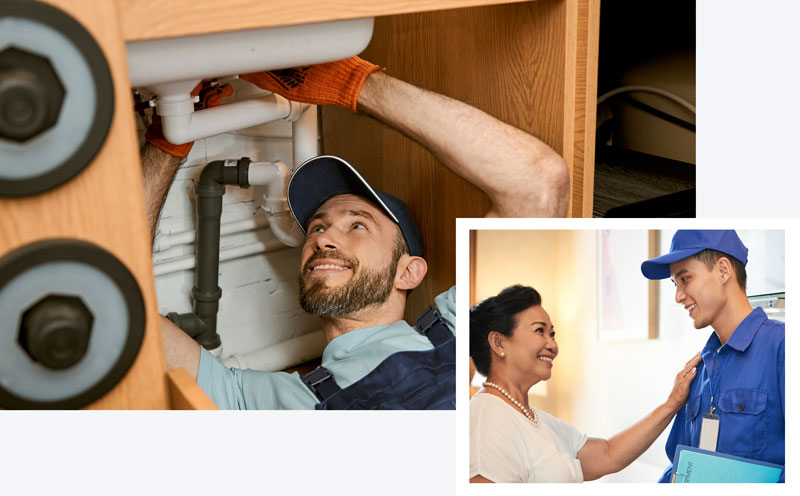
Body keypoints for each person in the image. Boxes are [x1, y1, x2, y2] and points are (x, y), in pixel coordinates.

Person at [143, 57, 567, 409]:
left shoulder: (462, 332)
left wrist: (348, 83)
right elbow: (123, 302)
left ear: (409, 273)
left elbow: (537, 183)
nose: (323, 238)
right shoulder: (266, 400)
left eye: (357, 225)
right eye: (318, 226)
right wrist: (169, 139)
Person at [469, 285, 701, 483]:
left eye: (553, 334)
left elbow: (607, 454)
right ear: (498, 342)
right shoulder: (485, 422)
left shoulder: (535, 419)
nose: (553, 345)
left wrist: (672, 404)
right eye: (540, 331)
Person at [640, 230, 785, 482]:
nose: (678, 296)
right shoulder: (698, 370)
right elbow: (681, 466)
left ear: (723, 270)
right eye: (675, 283)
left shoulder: (782, 348)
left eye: (685, 279)